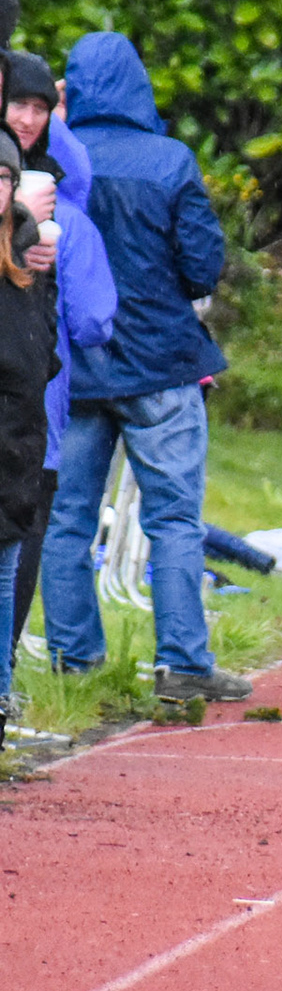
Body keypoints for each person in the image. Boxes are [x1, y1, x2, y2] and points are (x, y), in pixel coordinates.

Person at [37, 33, 250, 703]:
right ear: (138, 84)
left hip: (73, 369)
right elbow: (203, 268)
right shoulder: (170, 159)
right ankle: (182, 664)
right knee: (174, 520)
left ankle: (75, 662)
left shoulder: (50, 161)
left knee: (66, 519)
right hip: (162, 366)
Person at [5, 54, 117, 657]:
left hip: (31, 404)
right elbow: (94, 320)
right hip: (35, 410)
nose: (28, 118)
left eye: (39, 108)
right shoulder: (67, 221)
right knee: (22, 548)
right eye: (18, 104)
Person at [0, 128, 61, 746]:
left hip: (18, 453)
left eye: (4, 178)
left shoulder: (29, 263)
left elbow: (43, 354)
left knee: (5, 581)